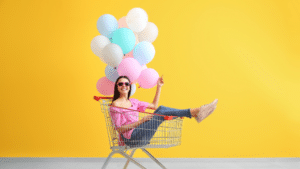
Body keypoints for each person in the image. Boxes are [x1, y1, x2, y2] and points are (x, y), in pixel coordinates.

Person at [109, 75, 218, 147]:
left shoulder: (134, 101)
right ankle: (196, 112)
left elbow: (154, 106)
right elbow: (119, 130)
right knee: (161, 111)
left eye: (126, 84)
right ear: (117, 87)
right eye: (120, 84)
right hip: (131, 139)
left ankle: (195, 112)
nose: (124, 86)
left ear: (129, 86)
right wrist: (142, 121)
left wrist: (159, 87)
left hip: (140, 133)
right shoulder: (116, 105)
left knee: (160, 109)